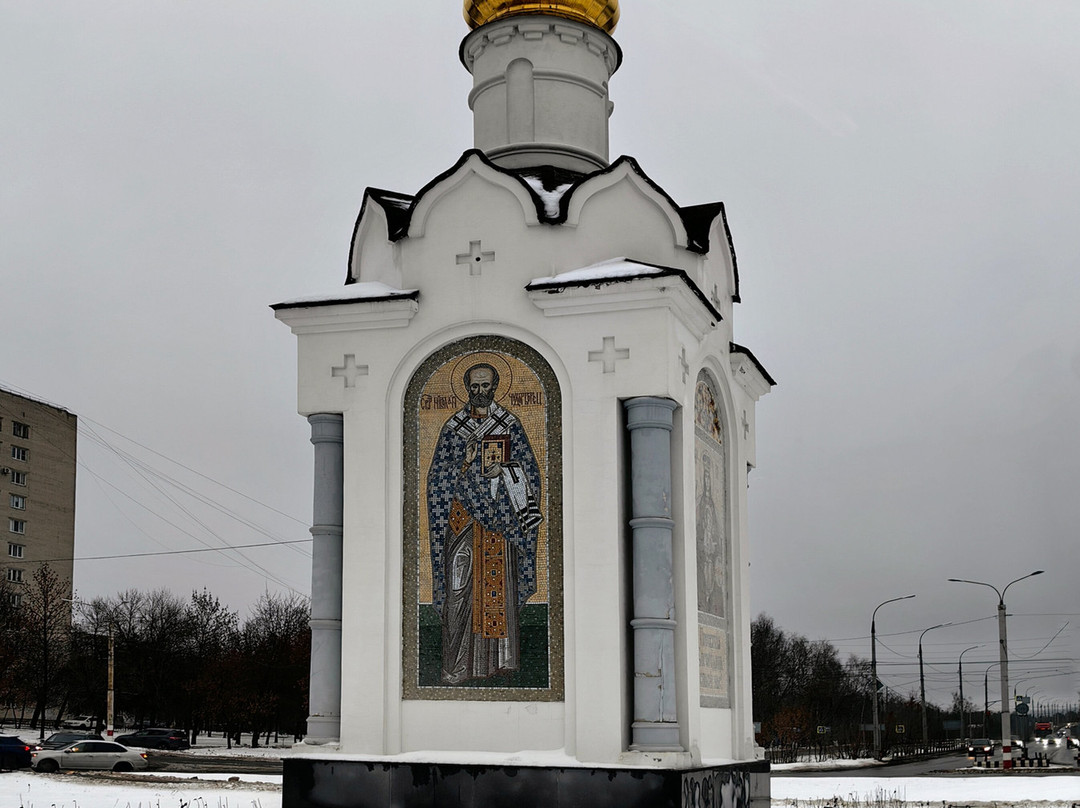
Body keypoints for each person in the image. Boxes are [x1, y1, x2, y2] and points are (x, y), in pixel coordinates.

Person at [426, 362, 543, 684]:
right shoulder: (453, 428)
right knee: (459, 590)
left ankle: (498, 663)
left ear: (495, 386)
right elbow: (436, 481)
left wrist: (504, 473)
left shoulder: (510, 424)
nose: (479, 392)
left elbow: (530, 475)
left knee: (498, 589)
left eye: (485, 386)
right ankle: (456, 666)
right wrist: (463, 463)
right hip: (461, 523)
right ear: (466, 387)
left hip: (498, 526)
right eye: (474, 386)